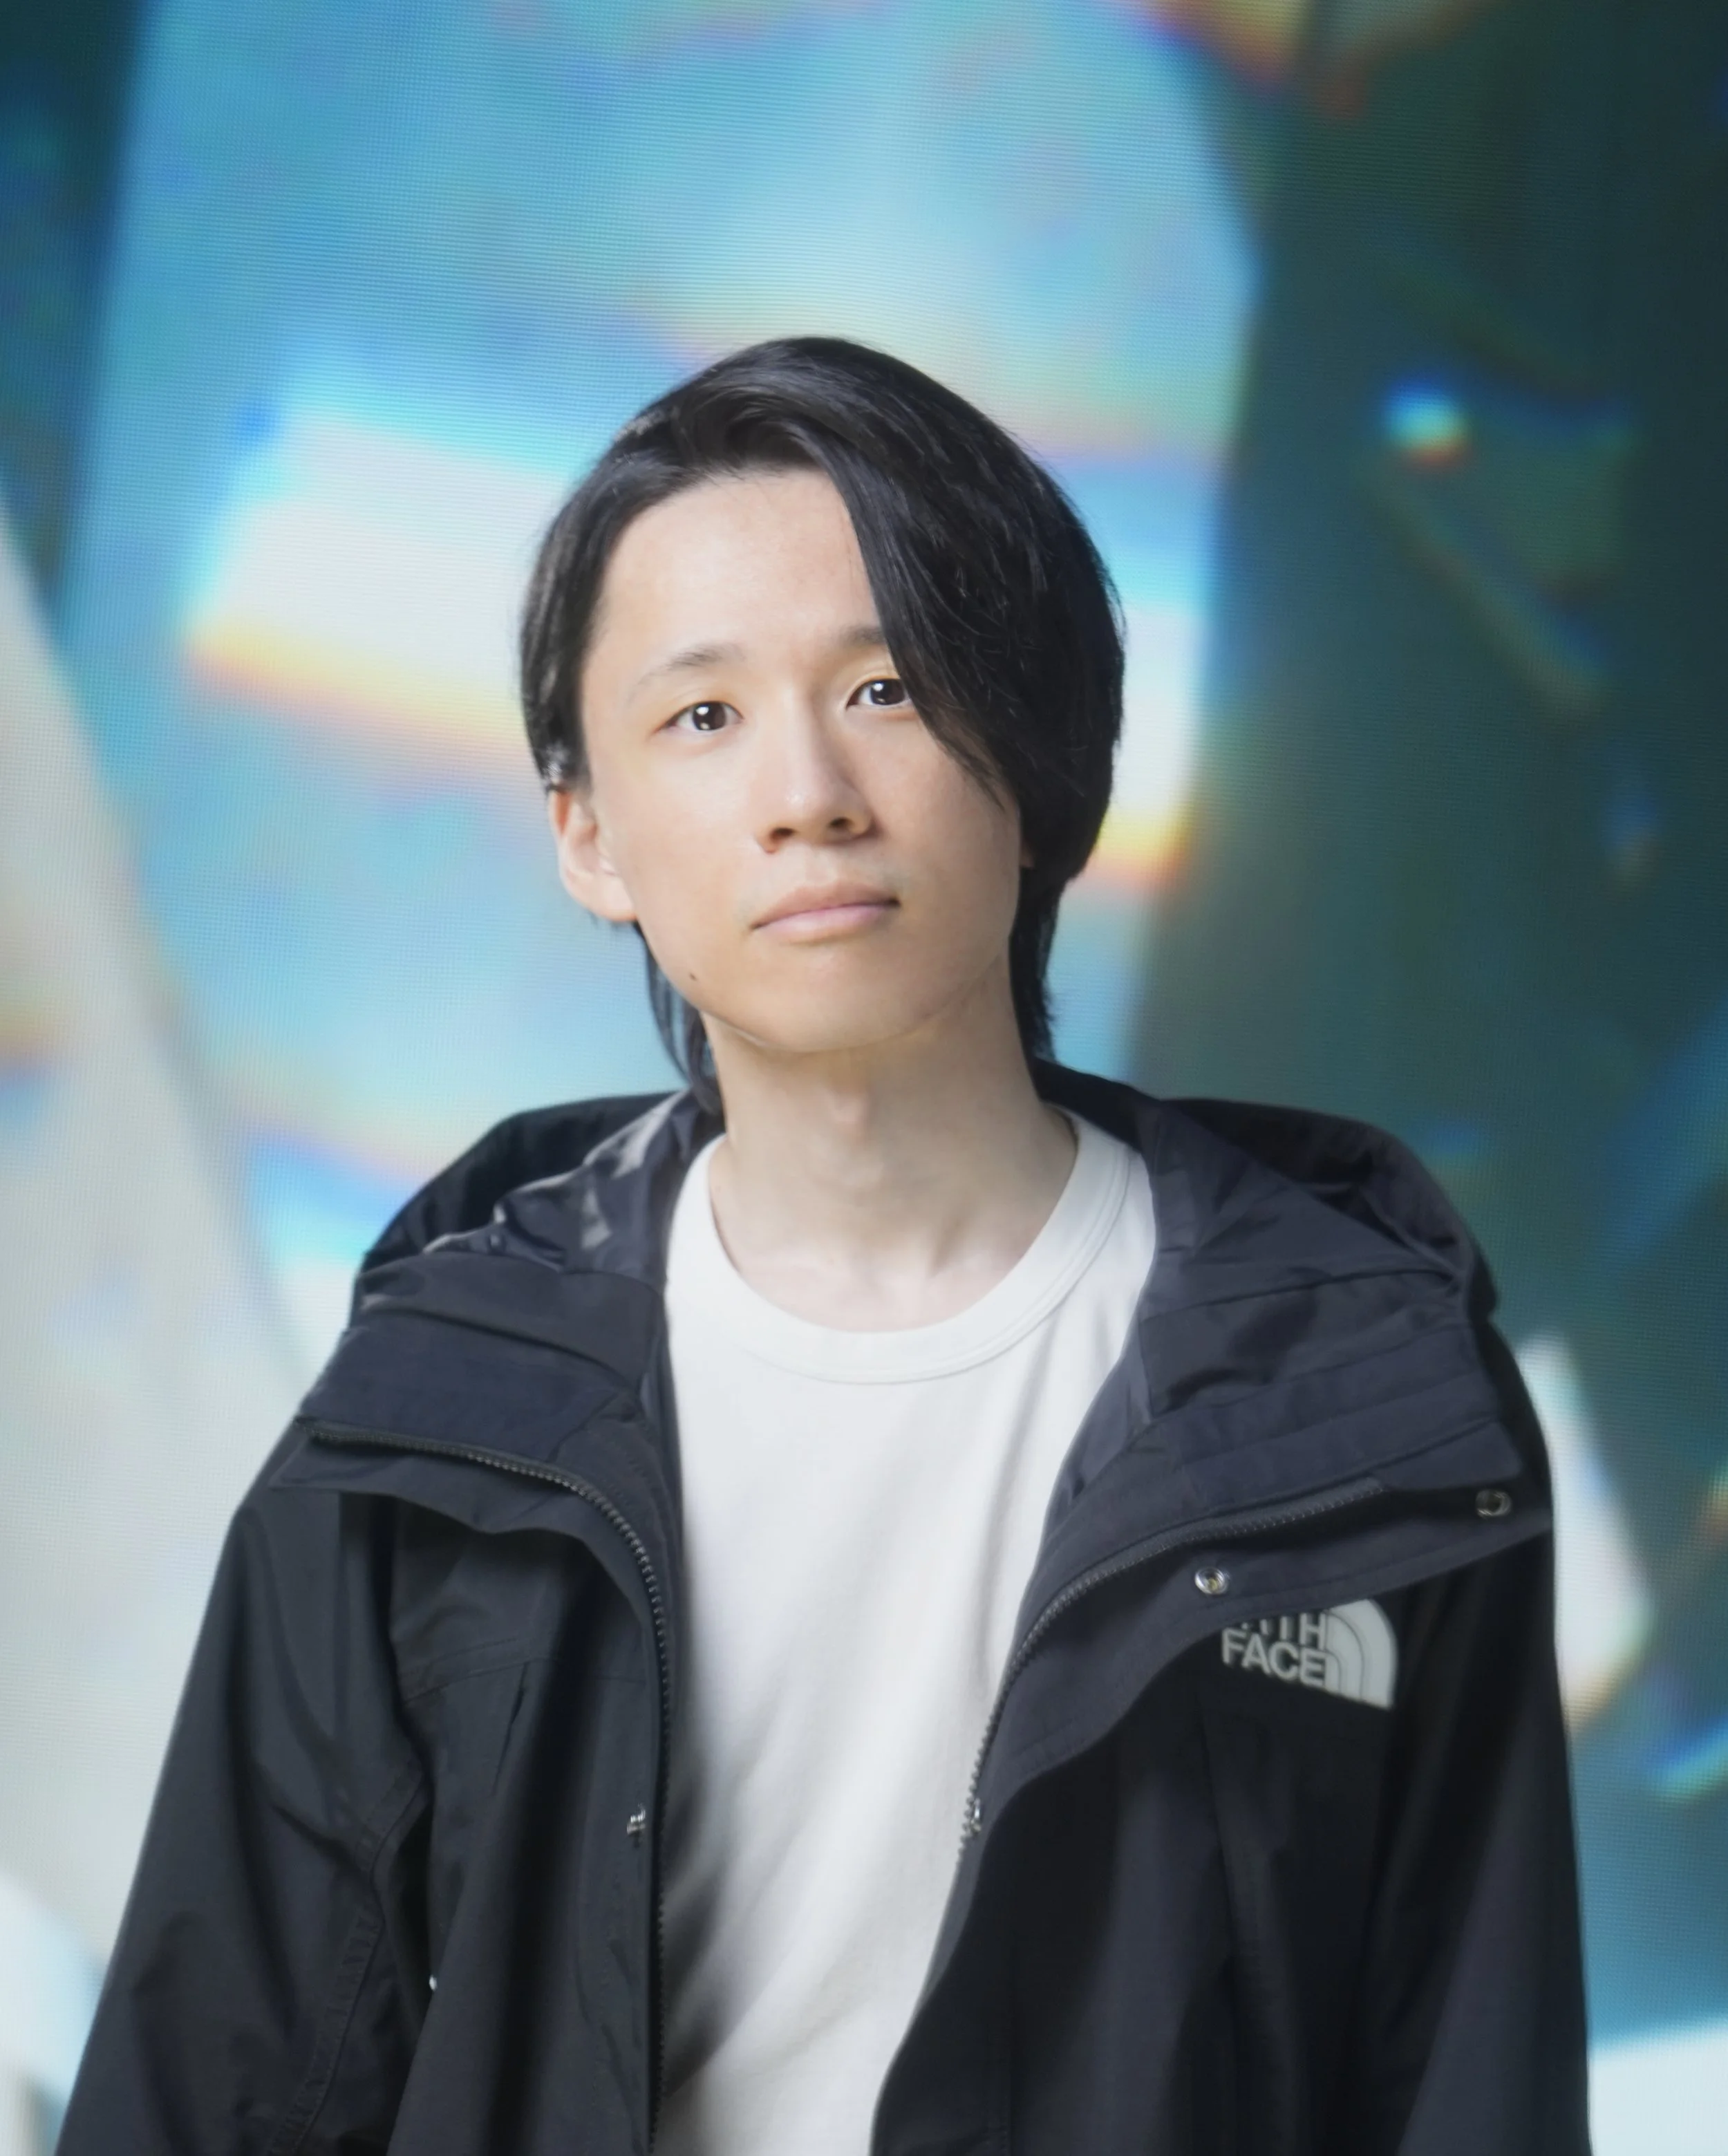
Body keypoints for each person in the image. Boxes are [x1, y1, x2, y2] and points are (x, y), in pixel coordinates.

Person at [59, 337, 1591, 2155]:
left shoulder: (1364, 1396)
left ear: (1038, 762)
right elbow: (218, 2085)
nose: (809, 792)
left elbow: (1471, 2079)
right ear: (587, 833)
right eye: (702, 717)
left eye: (887, 688)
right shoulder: (432, 1416)